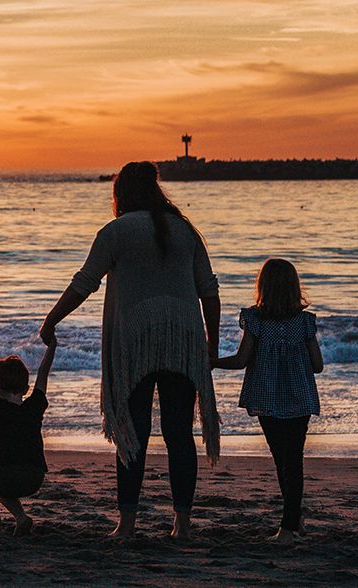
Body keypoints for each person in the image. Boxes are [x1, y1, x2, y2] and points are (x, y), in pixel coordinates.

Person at [40, 161, 221, 540]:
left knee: (131, 431)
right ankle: (182, 524)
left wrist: (52, 319)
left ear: (120, 193)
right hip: (182, 341)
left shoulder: (116, 232)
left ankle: (126, 524)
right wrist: (211, 344)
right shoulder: (186, 231)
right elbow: (209, 290)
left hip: (134, 344)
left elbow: (83, 284)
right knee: (178, 435)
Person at [214, 258, 323, 542]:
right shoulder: (305, 322)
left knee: (281, 459)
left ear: (262, 287)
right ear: (294, 287)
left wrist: (212, 362)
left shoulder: (255, 320)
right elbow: (318, 364)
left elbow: (241, 360)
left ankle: (288, 527)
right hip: (299, 397)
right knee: (293, 459)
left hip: (267, 396)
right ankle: (293, 519)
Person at [0, 342, 55, 536]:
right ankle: (21, 518)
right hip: (35, 477)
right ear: (26, 388)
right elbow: (44, 371)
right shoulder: (35, 405)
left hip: (9, 475)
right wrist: (52, 345)